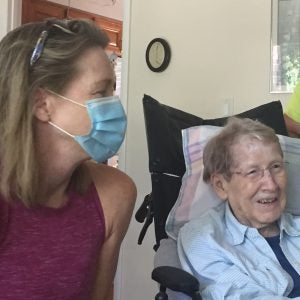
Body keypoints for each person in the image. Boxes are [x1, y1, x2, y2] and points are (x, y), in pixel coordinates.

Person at [0, 18, 136, 300]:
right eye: (100, 92)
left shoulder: (114, 196)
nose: (115, 105)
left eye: (113, 91)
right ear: (42, 105)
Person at [177, 117, 300, 299]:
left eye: (276, 167)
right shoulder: (204, 238)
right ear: (221, 185)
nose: (271, 185)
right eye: (253, 172)